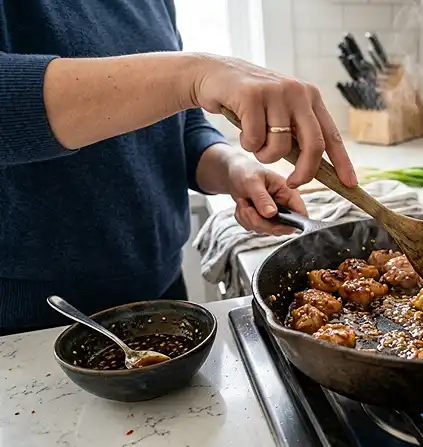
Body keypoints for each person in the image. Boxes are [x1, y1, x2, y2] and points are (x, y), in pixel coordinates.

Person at [0, 1, 357, 335]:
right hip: (33, 319)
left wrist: (233, 168)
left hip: (163, 288)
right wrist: (193, 74)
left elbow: (181, 128)